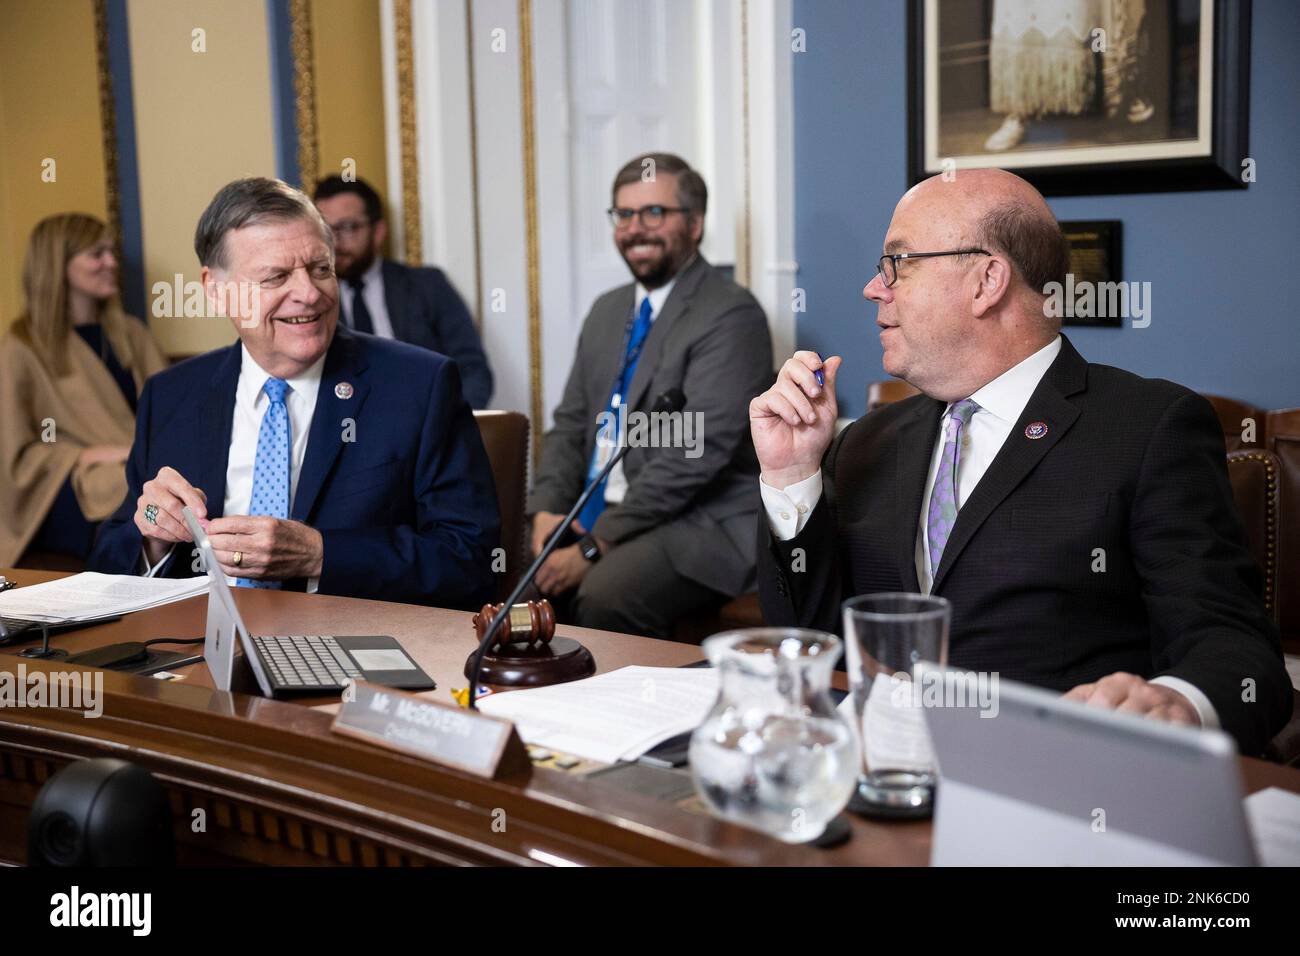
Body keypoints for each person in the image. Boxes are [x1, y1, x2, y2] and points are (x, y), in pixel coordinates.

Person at [751, 168, 1289, 754]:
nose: (874, 288)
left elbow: (1238, 654)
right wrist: (791, 475)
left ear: (987, 280)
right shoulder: (866, 441)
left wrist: (1178, 704)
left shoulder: (1148, 427)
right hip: (875, 781)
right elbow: (807, 640)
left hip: (1054, 788)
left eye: (898, 263)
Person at [88, 177, 499, 609]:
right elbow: (108, 558)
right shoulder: (170, 395)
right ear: (214, 289)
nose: (309, 294)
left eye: (321, 269)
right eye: (276, 276)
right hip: (194, 653)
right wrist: (154, 536)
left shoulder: (420, 385)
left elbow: (473, 562)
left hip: (354, 654)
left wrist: (320, 556)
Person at [528, 152, 773, 640]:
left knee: (603, 594)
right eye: (624, 214)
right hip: (595, 509)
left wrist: (594, 546)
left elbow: (693, 456)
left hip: (701, 519)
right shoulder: (606, 310)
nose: (635, 228)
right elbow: (571, 422)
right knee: (504, 575)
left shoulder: (731, 314)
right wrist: (548, 512)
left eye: (654, 213)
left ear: (696, 223)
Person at [0, 213, 168, 565]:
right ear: (58, 265)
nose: (111, 263)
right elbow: (14, 454)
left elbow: (172, 410)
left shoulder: (131, 334)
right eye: (97, 254)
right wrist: (88, 454)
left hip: (144, 457)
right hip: (70, 486)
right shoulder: (21, 346)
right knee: (123, 486)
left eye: (112, 252)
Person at [312, 176, 493, 408]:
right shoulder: (312, 297)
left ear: (378, 232)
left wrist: (450, 424)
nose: (335, 243)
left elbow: (473, 369)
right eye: (326, 230)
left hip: (427, 421)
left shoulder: (426, 285)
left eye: (348, 228)